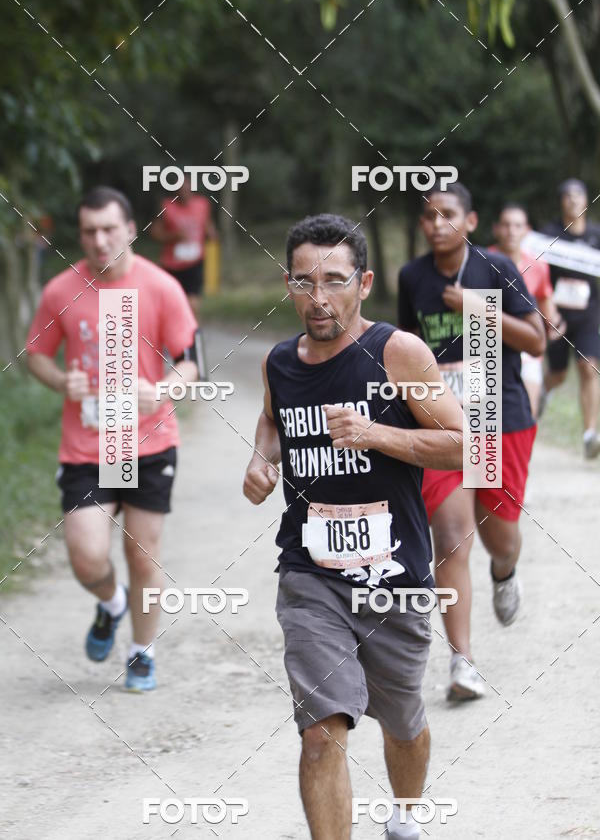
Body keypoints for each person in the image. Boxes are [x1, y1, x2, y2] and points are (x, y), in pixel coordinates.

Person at [243, 213, 464, 840]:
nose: (318, 298)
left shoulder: (398, 352)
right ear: (288, 285)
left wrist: (376, 434)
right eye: (303, 282)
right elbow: (271, 419)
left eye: (334, 281)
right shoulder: (279, 363)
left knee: (403, 722)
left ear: (363, 283)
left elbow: (464, 444)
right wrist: (261, 460)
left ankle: (406, 815)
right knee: (320, 734)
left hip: (393, 575)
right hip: (310, 573)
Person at [26, 186, 199, 692]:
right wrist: (61, 381)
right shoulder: (60, 290)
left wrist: (163, 389)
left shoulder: (162, 287)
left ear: (130, 229)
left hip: (148, 442)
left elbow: (190, 362)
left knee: (143, 555)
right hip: (88, 446)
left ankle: (142, 651)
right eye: (89, 231)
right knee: (86, 556)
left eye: (108, 229)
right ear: (80, 235)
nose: (100, 240)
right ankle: (111, 602)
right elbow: (36, 353)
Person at [398, 182, 546, 702]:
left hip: (498, 416)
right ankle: (462, 662)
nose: (437, 224)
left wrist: (478, 309)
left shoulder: (496, 268)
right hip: (442, 421)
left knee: (499, 539)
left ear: (471, 221)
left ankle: (504, 572)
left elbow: (537, 339)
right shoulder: (412, 276)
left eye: (448, 214)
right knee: (451, 537)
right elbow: (404, 346)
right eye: (428, 216)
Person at [541, 179, 600, 458]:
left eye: (578, 195)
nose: (573, 200)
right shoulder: (549, 234)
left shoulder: (596, 235)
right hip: (557, 315)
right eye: (567, 196)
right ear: (561, 202)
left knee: (589, 367)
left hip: (588, 314)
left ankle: (590, 435)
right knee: (559, 374)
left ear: (586, 201)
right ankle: (542, 393)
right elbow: (536, 271)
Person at [492, 203, 565, 418]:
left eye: (517, 226)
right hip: (487, 346)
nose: (511, 231)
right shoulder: (481, 260)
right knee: (485, 418)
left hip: (526, 347)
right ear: (496, 229)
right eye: (506, 225)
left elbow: (546, 302)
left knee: (527, 414)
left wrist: (554, 323)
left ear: (527, 230)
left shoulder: (539, 266)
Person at [151, 176, 217, 320]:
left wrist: (211, 234)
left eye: (187, 189)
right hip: (172, 264)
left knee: (193, 303)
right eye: (181, 190)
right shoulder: (167, 206)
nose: (184, 193)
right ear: (175, 191)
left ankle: (193, 331)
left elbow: (207, 225)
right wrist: (173, 237)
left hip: (195, 261)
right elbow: (154, 232)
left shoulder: (202, 204)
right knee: (172, 304)